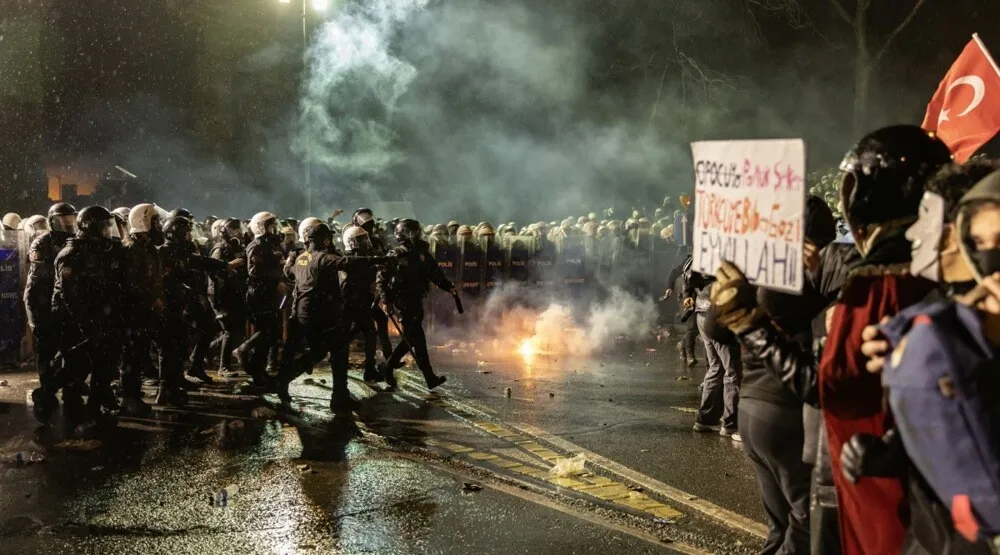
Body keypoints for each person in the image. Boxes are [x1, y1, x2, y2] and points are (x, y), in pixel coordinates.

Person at [710, 125, 952, 555]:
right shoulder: (927, 272)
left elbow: (828, 386)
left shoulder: (881, 283)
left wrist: (750, 322)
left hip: (876, 486)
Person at [275, 223, 390, 412]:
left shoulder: (302, 257)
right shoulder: (324, 257)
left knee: (313, 352)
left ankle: (282, 381)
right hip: (320, 314)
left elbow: (289, 273)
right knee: (338, 352)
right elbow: (349, 263)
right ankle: (338, 399)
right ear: (326, 240)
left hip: (301, 313)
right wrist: (381, 259)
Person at [51, 206, 125, 424]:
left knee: (103, 361)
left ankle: (95, 404)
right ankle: (69, 408)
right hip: (71, 319)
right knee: (77, 364)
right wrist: (86, 326)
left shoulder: (96, 251)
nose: (107, 231)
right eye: (104, 227)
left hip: (92, 316)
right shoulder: (71, 254)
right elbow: (70, 296)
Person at [376, 219, 456, 391]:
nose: (416, 235)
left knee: (415, 339)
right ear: (403, 234)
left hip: (416, 300)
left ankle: (420, 375)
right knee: (415, 337)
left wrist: (448, 287)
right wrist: (386, 301)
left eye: (416, 231)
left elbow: (435, 273)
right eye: (412, 232)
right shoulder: (396, 254)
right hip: (402, 301)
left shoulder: (422, 253)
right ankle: (397, 369)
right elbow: (381, 278)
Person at [158, 216, 230, 405]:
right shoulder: (165, 252)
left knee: (181, 344)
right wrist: (186, 292)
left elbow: (200, 262)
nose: (190, 235)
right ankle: (167, 388)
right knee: (171, 347)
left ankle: (178, 380)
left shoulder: (181, 252)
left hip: (184, 304)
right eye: (186, 231)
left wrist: (225, 265)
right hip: (174, 307)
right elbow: (169, 281)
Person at [24, 203, 77, 422]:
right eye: (63, 221)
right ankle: (46, 392)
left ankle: (61, 388)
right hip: (41, 302)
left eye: (71, 220)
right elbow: (43, 279)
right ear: (53, 222)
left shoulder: (71, 242)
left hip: (60, 303)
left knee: (68, 349)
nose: (67, 225)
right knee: (46, 349)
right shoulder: (42, 242)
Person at [683, 265, 742, 440]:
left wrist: (688, 295)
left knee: (717, 367)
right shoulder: (726, 250)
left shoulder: (704, 248)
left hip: (703, 312)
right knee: (732, 370)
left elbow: (687, 272)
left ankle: (706, 419)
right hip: (720, 313)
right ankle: (732, 424)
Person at [119, 203, 165, 417]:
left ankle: (133, 396)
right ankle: (129, 398)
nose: (158, 226)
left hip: (144, 311)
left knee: (138, 354)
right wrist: (152, 298)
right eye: (154, 221)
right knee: (132, 356)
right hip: (134, 312)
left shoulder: (147, 248)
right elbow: (131, 284)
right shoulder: (133, 249)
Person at [233, 211, 284, 389]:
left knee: (270, 334)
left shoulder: (269, 244)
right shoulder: (256, 246)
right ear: (261, 227)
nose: (274, 228)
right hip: (259, 293)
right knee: (267, 330)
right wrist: (277, 275)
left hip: (268, 292)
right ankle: (244, 350)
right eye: (270, 225)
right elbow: (254, 271)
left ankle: (258, 371)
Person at [341, 224, 387, 382]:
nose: (365, 242)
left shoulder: (361, 257)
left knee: (353, 334)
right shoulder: (350, 258)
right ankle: (368, 369)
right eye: (360, 240)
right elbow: (363, 264)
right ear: (351, 242)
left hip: (360, 301)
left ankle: (368, 368)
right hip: (351, 301)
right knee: (367, 333)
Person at [209, 218, 248, 378]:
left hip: (234, 293)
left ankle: (209, 349)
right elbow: (213, 271)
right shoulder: (219, 249)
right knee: (230, 330)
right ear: (225, 231)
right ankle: (223, 367)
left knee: (237, 330)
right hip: (221, 294)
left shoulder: (237, 247)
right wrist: (228, 269)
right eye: (234, 229)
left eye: (238, 229)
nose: (238, 232)